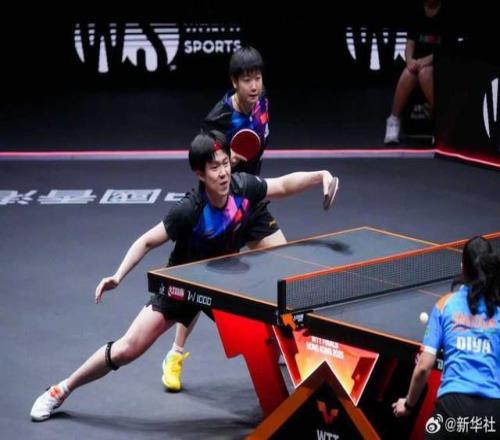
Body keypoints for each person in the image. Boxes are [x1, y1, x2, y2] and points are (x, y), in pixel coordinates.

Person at [30, 130, 338, 422]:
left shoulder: (242, 187)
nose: (223, 173)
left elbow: (281, 186)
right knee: (126, 349)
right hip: (183, 287)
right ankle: (61, 389)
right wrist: (117, 276)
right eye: (214, 168)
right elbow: (147, 241)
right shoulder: (189, 210)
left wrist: (320, 176)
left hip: (223, 287)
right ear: (200, 174)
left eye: (225, 164)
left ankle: (302, 397)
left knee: (279, 319)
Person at [161, 46, 287, 392]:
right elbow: (203, 160)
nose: (254, 85)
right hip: (221, 206)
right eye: (247, 80)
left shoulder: (262, 102)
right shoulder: (219, 118)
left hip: (250, 199)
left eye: (258, 78)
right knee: (199, 288)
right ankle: (174, 354)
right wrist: (227, 159)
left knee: (286, 264)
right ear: (234, 82)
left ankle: (282, 342)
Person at [392, 236, 500, 438]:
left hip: (452, 409)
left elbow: (423, 366)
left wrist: (408, 404)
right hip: (492, 415)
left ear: (462, 267)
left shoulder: (445, 305)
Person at [384, 0, 446, 144]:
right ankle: (393, 120)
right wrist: (409, 61)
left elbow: (447, 50)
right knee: (408, 73)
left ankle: (442, 122)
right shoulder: (417, 14)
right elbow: (410, 44)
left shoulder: (446, 15)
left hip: (439, 63)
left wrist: (426, 61)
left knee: (424, 74)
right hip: (418, 62)